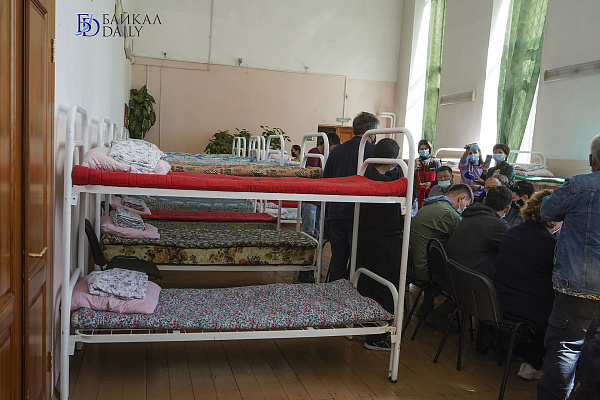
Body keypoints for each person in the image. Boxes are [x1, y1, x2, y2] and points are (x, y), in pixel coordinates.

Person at [537, 134, 600, 400]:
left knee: (565, 348)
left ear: (592, 159)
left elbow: (547, 211)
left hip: (578, 287)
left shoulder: (578, 186)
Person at [493, 190, 559, 381]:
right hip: (526, 308)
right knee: (561, 312)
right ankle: (532, 364)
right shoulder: (551, 243)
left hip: (498, 299)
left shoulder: (511, 232)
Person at [357, 139, 403, 351]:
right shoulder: (386, 185)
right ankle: (376, 336)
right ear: (392, 159)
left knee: (368, 283)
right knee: (385, 286)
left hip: (367, 237)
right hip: (384, 240)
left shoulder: (365, 174)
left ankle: (366, 325)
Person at [323, 111, 378, 282]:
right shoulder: (374, 152)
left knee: (338, 258)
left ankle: (334, 293)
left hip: (336, 211)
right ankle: (355, 294)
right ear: (372, 132)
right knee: (359, 259)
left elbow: (326, 180)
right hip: (360, 213)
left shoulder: (337, 151)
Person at [298, 132, 341, 283]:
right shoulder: (314, 154)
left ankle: (310, 267)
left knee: (315, 234)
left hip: (320, 200)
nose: (333, 151)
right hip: (311, 199)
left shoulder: (326, 156)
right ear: (325, 144)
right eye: (332, 147)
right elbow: (313, 175)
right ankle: (303, 269)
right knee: (309, 234)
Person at [446, 185, 512, 278]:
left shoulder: (469, 214)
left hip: (452, 275)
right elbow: (514, 253)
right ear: (508, 209)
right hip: (472, 280)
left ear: (484, 200)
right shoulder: (499, 226)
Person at [415, 139, 442, 207]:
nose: (424, 150)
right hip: (418, 193)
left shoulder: (436, 161)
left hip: (432, 193)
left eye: (426, 149)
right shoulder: (415, 162)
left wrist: (431, 183)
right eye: (421, 149)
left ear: (429, 149)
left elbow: (440, 179)